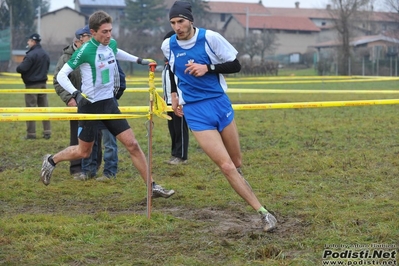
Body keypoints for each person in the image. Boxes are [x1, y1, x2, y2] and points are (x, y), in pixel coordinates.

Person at [161, 1, 277, 231]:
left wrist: (207, 68)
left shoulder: (210, 38)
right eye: (173, 23)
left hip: (219, 104)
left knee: (236, 163)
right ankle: (264, 213)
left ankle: (241, 183)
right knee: (225, 166)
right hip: (194, 111)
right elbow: (172, 70)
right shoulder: (168, 45)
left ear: (190, 20)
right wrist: (174, 95)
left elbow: (236, 65)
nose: (177, 27)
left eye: (181, 21)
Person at [41, 10, 174, 199]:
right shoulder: (84, 50)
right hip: (89, 106)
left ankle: (152, 186)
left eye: (110, 30)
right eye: (104, 31)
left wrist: (139, 60)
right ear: (93, 32)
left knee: (133, 144)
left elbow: (116, 52)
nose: (109, 35)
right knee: (84, 152)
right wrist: (76, 94)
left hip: (109, 104)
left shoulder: (110, 44)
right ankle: (52, 160)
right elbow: (61, 75)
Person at [54, 26, 103, 178]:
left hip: (95, 102)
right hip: (76, 104)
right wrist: (69, 99)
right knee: (77, 135)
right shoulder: (66, 58)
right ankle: (76, 168)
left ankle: (94, 165)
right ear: (78, 41)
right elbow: (58, 81)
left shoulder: (95, 53)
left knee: (97, 134)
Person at [162, 30, 189, 165]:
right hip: (168, 102)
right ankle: (174, 154)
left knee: (180, 129)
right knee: (172, 129)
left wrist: (178, 98)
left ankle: (182, 156)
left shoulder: (178, 63)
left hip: (179, 102)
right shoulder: (167, 65)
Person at [16, 33, 51, 140]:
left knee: (30, 109)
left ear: (33, 42)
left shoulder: (31, 55)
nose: (28, 42)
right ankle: (47, 132)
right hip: (43, 84)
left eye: (29, 41)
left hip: (31, 85)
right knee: (44, 108)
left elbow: (21, 68)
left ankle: (31, 134)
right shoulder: (45, 54)